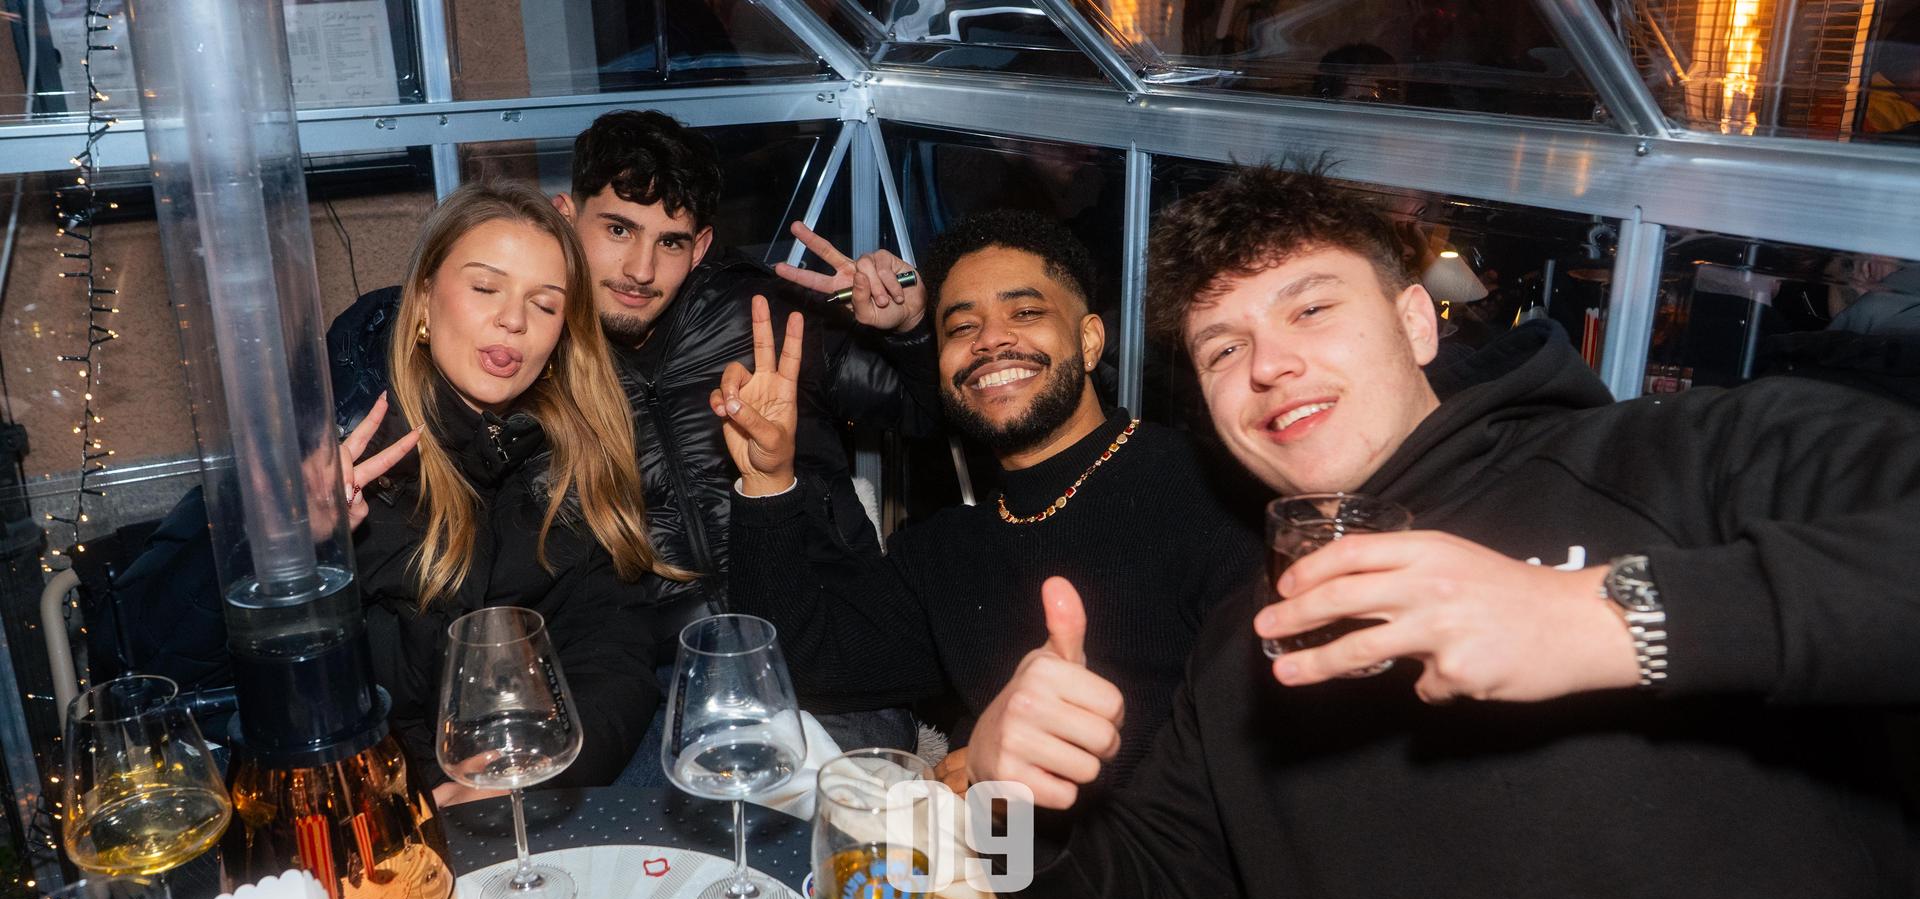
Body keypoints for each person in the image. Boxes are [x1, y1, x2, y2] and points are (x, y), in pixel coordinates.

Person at [976, 165, 1920, 899]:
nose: (1271, 364)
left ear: (1416, 322)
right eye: (1222, 349)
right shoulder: (1238, 647)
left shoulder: (1678, 457)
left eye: (1312, 307)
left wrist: (1607, 617)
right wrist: (1006, 804)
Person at [121, 183, 668, 797]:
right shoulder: (323, 438)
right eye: (485, 288)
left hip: (509, 792)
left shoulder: (573, 453)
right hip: (354, 812)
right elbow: (159, 658)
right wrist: (272, 542)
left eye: (544, 305)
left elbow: (614, 654)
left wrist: (518, 775)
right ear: (426, 301)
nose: (513, 320)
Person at [327, 111, 942, 655]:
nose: (640, 271)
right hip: (658, 665)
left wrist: (909, 325)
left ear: (700, 248)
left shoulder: (765, 316)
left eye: (670, 242)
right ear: (566, 217)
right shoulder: (527, 360)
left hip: (824, 628)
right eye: (618, 230)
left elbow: (931, 414)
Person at [718, 209, 1260, 797]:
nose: (991, 340)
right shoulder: (948, 550)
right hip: (1011, 870)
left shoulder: (1209, 490)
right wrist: (766, 483)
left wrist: (1011, 768)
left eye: (1025, 313)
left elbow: (1251, 746)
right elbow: (803, 666)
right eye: (960, 328)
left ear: (1089, 341)